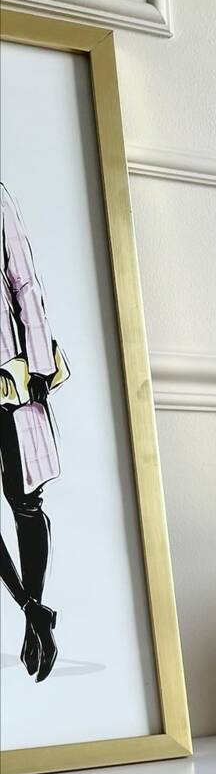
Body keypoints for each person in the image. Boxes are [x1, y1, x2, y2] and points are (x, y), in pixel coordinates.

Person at [1, 181, 69, 682]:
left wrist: (40, 362)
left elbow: (23, 278)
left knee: (25, 502)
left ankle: (34, 612)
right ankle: (33, 611)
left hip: (8, 374)